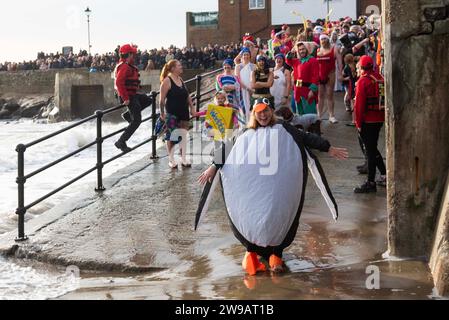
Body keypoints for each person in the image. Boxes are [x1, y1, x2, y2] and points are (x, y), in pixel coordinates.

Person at [197, 99, 348, 275]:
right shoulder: (245, 133)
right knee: (249, 215)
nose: (263, 115)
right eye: (259, 112)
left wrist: (328, 148)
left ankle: (276, 255)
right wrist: (213, 167)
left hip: (277, 187)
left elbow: (307, 138)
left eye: (266, 111)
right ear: (254, 114)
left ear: (271, 111)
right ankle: (251, 253)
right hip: (252, 189)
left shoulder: (285, 129)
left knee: (279, 214)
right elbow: (225, 148)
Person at [353, 56, 387, 193]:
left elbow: (359, 105)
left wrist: (358, 123)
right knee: (372, 148)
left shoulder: (363, 81)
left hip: (367, 120)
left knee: (370, 151)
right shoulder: (380, 79)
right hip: (378, 119)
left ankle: (370, 182)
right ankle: (384, 174)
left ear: (362, 67)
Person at [159, 59, 198, 169]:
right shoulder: (167, 81)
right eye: (179, 65)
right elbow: (161, 100)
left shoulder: (180, 79)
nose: (181, 67)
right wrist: (162, 113)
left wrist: (192, 108)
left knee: (183, 136)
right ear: (173, 68)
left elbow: (187, 95)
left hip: (184, 112)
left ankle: (183, 159)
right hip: (172, 114)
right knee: (171, 137)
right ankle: (171, 160)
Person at [114, 44, 152, 153]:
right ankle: (121, 141)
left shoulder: (126, 65)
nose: (134, 56)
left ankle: (127, 115)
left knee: (148, 100)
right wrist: (125, 98)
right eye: (132, 54)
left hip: (132, 95)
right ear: (129, 54)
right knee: (137, 120)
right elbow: (119, 82)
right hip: (128, 96)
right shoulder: (125, 66)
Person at [286, 42, 319, 116]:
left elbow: (316, 76)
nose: (301, 51)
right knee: (299, 114)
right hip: (298, 90)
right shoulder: (296, 61)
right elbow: (288, 60)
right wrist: (292, 51)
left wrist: (312, 90)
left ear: (307, 49)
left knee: (310, 114)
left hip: (308, 90)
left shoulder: (313, 60)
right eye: (299, 50)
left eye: (303, 49)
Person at [317, 34, 342, 123]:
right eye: (322, 39)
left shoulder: (334, 49)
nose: (323, 41)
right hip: (319, 76)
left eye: (325, 39)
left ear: (328, 40)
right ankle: (319, 115)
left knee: (329, 95)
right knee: (320, 96)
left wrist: (340, 74)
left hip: (330, 75)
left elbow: (339, 61)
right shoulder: (317, 50)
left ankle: (331, 115)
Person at [235, 48, 256, 121]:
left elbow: (256, 78)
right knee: (243, 107)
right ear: (242, 56)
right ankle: (245, 123)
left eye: (247, 55)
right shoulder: (238, 66)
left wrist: (252, 89)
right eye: (244, 55)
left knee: (252, 105)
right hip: (242, 89)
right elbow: (238, 80)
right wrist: (247, 89)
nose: (246, 56)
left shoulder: (253, 66)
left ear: (250, 56)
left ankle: (253, 121)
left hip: (252, 89)